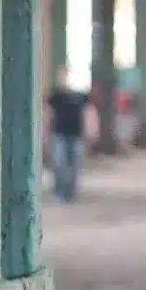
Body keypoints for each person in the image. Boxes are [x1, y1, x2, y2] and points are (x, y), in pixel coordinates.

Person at [47, 66, 89, 202]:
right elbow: (47, 112)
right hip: (59, 133)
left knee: (75, 164)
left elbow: (88, 112)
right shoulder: (56, 95)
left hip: (76, 134)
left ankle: (70, 193)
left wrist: (90, 130)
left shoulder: (81, 95)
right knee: (59, 163)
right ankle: (59, 191)